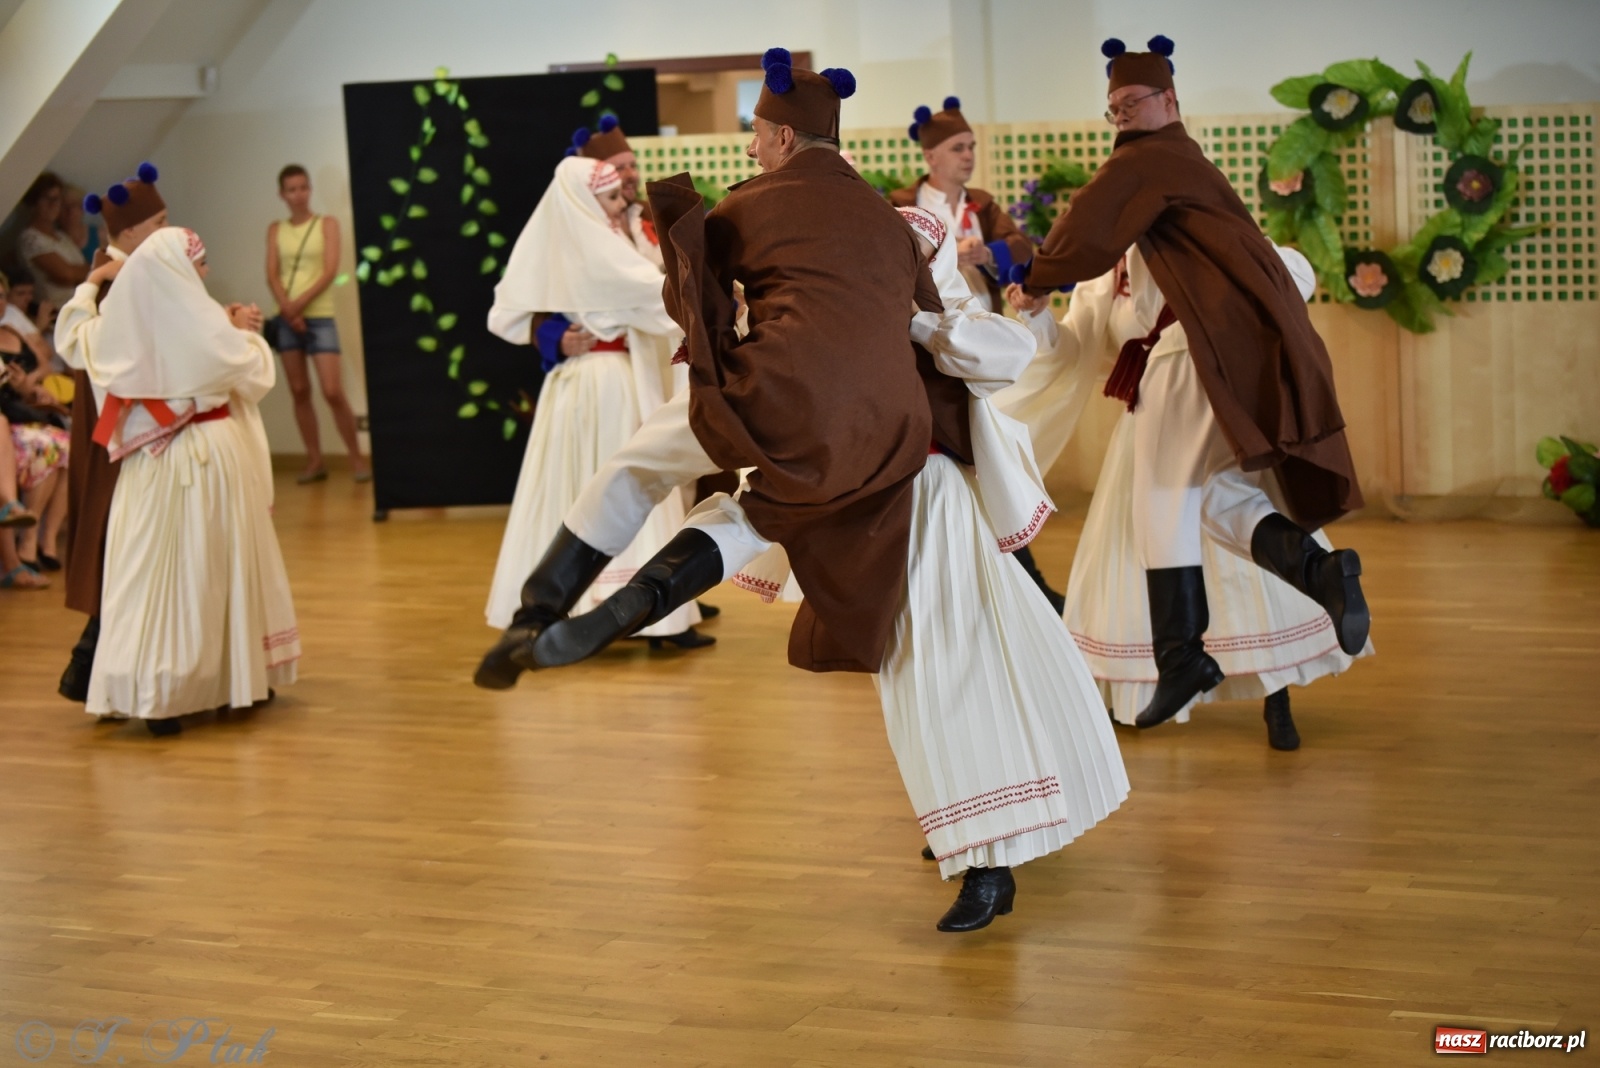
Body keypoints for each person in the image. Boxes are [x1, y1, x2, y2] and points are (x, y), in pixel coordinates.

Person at [529, 58, 1130, 932]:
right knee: (938, 652)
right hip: (882, 458)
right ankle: (980, 843)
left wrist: (899, 326)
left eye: (755, 136)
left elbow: (701, 298)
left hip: (877, 464)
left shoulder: (843, 223)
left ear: (779, 137)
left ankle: (986, 855)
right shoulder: (883, 225)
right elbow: (980, 348)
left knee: (912, 638)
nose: (752, 150)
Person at [1008, 36, 1370, 731]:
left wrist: (1035, 270)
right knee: (1217, 498)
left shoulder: (1151, 162)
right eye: (1112, 107)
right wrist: (1038, 302)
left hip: (1189, 361)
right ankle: (1316, 573)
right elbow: (1082, 332)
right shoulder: (1170, 195)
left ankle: (1183, 658)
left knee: (1163, 502)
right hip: (1194, 375)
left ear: (1170, 101)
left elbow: (1087, 222)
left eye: (1132, 102)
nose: (1120, 116)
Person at [1002, 241, 1372, 750]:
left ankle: (1276, 694)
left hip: (1218, 422)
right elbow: (1072, 351)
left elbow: (1289, 271)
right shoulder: (1104, 279)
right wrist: (1038, 314)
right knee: (1145, 554)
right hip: (1147, 430)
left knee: (1241, 566)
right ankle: (1137, 692)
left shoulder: (1198, 239)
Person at [58, 227, 298, 735]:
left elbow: (74, 338)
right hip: (207, 457)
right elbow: (252, 372)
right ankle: (222, 680)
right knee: (209, 571)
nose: (206, 272)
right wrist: (243, 331)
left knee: (143, 574)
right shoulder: (206, 324)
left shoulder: (119, 321)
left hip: (146, 466)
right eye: (201, 263)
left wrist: (92, 282)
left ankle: (152, 689)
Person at [482, 155, 706, 650]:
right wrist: (554, 334)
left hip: (596, 382)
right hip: (599, 383)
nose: (619, 203)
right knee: (615, 483)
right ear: (584, 201)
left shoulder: (602, 239)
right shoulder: (594, 247)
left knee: (600, 482)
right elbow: (657, 295)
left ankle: (601, 608)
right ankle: (623, 611)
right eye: (607, 197)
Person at [889, 99, 1063, 611]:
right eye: (958, 148)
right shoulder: (901, 203)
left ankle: (1015, 580)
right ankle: (993, 584)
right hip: (922, 350)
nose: (969, 156)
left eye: (971, 147)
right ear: (931, 156)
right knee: (973, 465)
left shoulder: (982, 204)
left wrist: (990, 253)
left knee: (987, 461)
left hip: (978, 345)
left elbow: (1021, 247)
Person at [53, 162, 169, 703]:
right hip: (116, 430)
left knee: (119, 548)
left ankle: (90, 668)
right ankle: (91, 667)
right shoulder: (111, 283)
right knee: (116, 542)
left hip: (118, 425)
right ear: (129, 230)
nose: (167, 231)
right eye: (159, 223)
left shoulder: (121, 276)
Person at [528, 117, 663, 370]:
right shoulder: (571, 234)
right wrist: (556, 338)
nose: (631, 175)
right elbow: (538, 302)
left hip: (663, 354)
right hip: (610, 365)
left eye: (633, 166)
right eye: (619, 168)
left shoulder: (656, 216)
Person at [266, 164, 368, 484]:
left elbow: (330, 271)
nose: (299, 195)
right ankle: (314, 460)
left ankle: (357, 459)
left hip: (320, 314)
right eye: (292, 189)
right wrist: (288, 309)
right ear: (282, 194)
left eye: (303, 187)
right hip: (285, 317)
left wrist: (297, 306)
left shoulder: (327, 224)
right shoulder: (276, 229)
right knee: (299, 390)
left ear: (310, 189)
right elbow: (272, 274)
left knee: (332, 390)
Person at [16, 173, 89, 308]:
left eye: (57, 199)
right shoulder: (30, 239)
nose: (53, 204)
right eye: (47, 199)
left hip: (81, 303)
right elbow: (67, 275)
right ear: (34, 202)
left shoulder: (62, 236)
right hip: (57, 310)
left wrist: (79, 274)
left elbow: (82, 272)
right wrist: (76, 274)